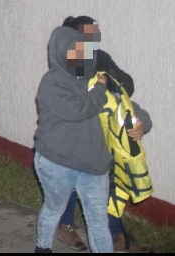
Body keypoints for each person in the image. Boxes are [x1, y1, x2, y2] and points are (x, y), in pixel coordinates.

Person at [55, 16, 153, 253]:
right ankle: (65, 224)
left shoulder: (101, 59)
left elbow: (126, 89)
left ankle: (117, 237)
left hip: (103, 145)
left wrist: (142, 122)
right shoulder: (66, 71)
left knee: (108, 184)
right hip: (71, 146)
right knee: (69, 179)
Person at [33, 25, 114, 253]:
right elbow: (79, 109)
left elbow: (126, 106)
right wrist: (99, 89)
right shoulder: (52, 82)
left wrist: (142, 123)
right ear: (60, 52)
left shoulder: (94, 79)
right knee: (54, 209)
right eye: (73, 51)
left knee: (98, 221)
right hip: (57, 161)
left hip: (93, 164)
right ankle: (43, 248)